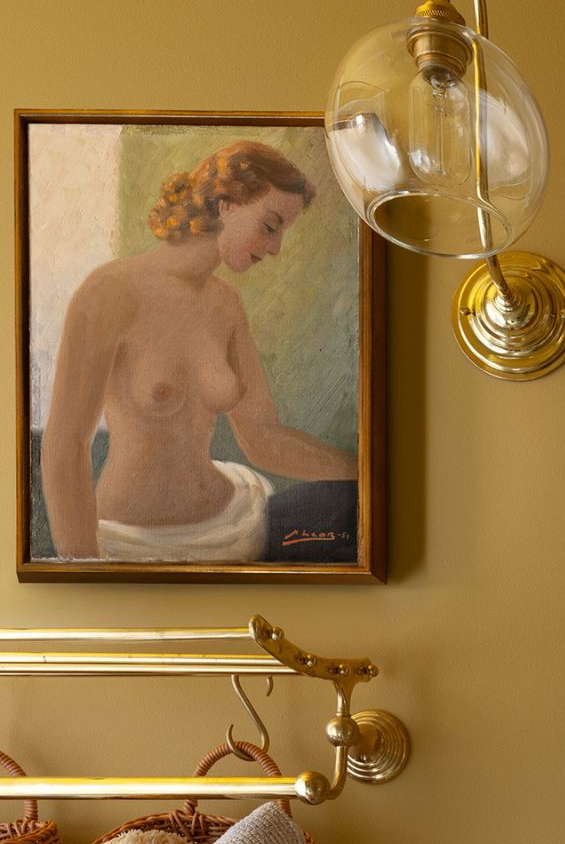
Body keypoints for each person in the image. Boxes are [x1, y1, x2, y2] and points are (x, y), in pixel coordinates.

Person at [41, 139, 358, 564]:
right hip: (129, 544)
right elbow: (65, 446)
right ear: (226, 204)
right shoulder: (110, 292)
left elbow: (262, 437)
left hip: (238, 525)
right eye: (270, 225)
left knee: (362, 518)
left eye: (284, 232)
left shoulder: (226, 304)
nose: (277, 247)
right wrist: (85, 572)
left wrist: (369, 473)